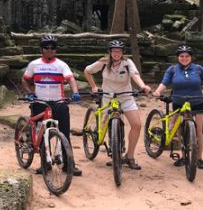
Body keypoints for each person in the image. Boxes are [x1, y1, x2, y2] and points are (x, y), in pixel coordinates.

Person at [83, 40, 151, 170]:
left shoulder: (127, 63)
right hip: (108, 98)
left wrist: (143, 86)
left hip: (126, 97)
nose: (116, 53)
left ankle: (129, 156)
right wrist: (93, 86)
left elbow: (135, 75)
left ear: (122, 52)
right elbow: (87, 71)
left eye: (119, 51)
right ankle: (116, 155)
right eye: (114, 51)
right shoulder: (103, 63)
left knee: (136, 125)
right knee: (108, 124)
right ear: (109, 52)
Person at [152, 45, 203, 169]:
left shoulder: (199, 69)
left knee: (199, 131)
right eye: (181, 56)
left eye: (187, 56)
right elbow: (164, 82)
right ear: (178, 57)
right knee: (180, 131)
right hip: (178, 101)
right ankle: (184, 156)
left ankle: (199, 158)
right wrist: (158, 91)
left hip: (196, 101)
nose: (184, 58)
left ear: (191, 57)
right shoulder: (172, 69)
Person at [21, 34, 82, 176]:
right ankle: (45, 164)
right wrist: (29, 92)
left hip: (59, 103)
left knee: (65, 134)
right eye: (46, 47)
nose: (49, 50)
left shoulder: (61, 65)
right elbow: (24, 80)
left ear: (55, 50)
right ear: (42, 49)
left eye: (52, 48)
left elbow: (71, 79)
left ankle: (68, 165)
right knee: (41, 135)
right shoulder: (34, 65)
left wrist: (75, 92)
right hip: (39, 103)